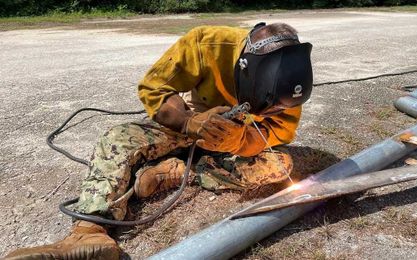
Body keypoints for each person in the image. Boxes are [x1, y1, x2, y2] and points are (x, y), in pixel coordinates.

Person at [5, 22, 313, 259]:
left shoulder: (290, 81)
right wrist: (189, 121)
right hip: (184, 127)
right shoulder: (206, 43)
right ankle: (90, 230)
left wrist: (239, 142)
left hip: (231, 143)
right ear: (244, 67)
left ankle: (178, 173)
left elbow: (279, 134)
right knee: (118, 138)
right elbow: (154, 88)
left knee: (280, 164)